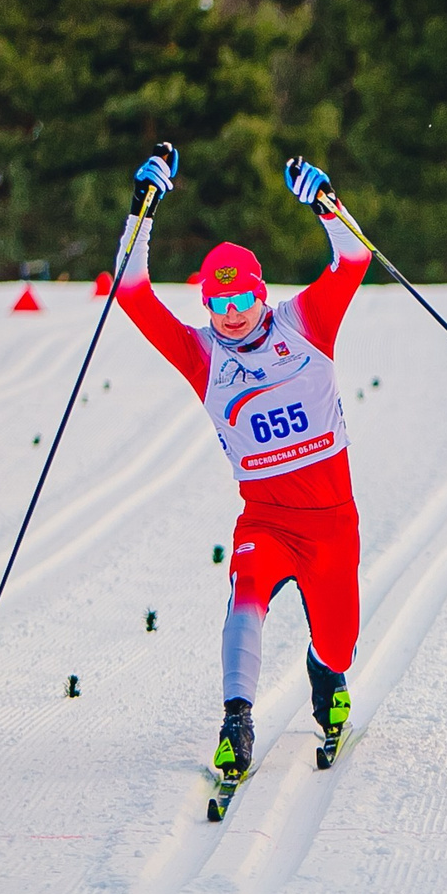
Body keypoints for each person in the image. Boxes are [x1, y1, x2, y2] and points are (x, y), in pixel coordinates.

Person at [114, 150, 372, 783]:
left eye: (241, 299)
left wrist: (325, 203)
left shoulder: (305, 322)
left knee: (340, 642)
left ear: (262, 295)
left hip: (332, 523)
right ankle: (236, 720)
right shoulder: (201, 355)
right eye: (217, 301)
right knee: (244, 600)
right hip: (266, 520)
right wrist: (141, 210)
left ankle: (325, 666)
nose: (230, 314)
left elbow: (355, 259)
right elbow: (130, 290)